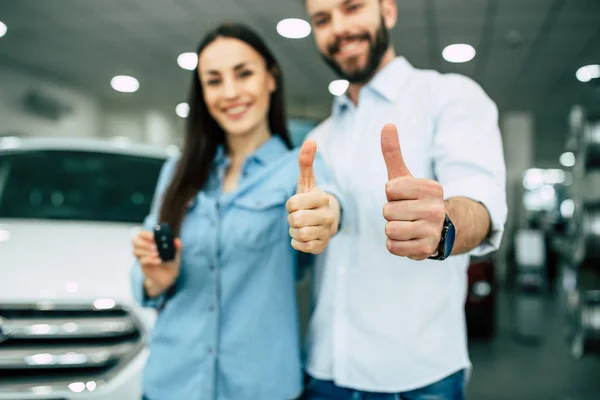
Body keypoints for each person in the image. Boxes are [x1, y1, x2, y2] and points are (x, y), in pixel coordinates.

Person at [300, 0, 508, 399]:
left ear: (388, 11)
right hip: (323, 370)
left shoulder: (449, 96)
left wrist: (442, 226)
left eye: (352, 7)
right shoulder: (321, 136)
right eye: (322, 19)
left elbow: (480, 204)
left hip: (418, 377)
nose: (338, 28)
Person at [130, 23, 343, 400]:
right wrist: (155, 278)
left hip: (261, 386)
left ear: (271, 79)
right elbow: (143, 277)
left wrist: (324, 217)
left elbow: (330, 207)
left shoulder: (301, 169)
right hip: (171, 382)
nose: (230, 93)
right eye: (214, 81)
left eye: (243, 74)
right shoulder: (177, 173)